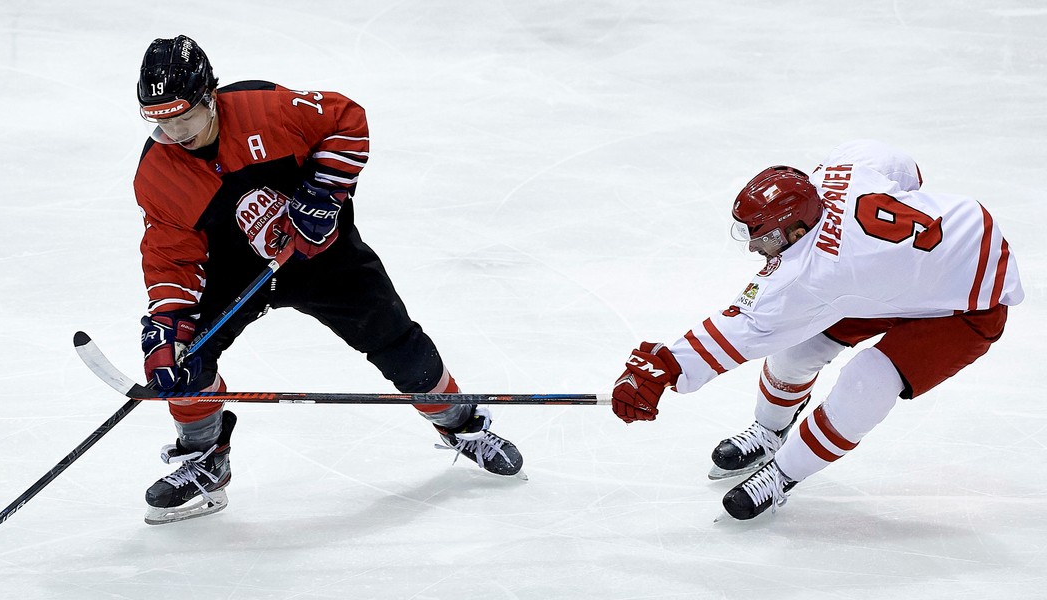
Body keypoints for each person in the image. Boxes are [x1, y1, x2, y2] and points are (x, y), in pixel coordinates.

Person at [132, 35, 523, 524]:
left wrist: (325, 191)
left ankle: (460, 423)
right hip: (235, 274)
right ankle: (203, 458)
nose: (173, 131)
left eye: (182, 115)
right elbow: (170, 257)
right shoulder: (158, 173)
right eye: (160, 121)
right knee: (188, 360)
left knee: (399, 344)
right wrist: (169, 322)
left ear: (210, 95)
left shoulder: (266, 109)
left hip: (324, 258)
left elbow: (346, 119)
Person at [610, 139, 1023, 520]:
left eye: (764, 237)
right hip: (898, 277)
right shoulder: (834, 176)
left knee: (867, 383)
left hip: (970, 304)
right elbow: (903, 166)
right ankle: (772, 431)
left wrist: (663, 367)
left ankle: (785, 473)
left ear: (797, 231)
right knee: (797, 352)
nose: (754, 248)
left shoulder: (813, 274)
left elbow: (743, 326)